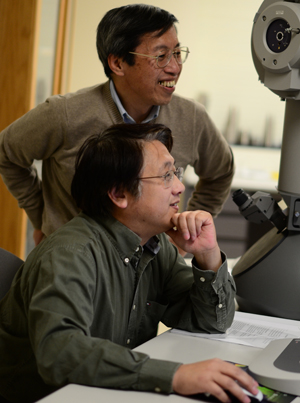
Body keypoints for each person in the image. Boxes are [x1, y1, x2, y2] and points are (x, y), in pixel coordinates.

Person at [0, 123, 256, 403]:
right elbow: (60, 353)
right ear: (119, 194)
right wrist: (174, 376)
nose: (180, 187)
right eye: (167, 175)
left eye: (177, 173)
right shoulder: (71, 254)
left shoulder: (155, 247)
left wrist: (207, 255)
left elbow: (210, 322)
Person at [0, 4, 234, 247]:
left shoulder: (192, 118)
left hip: (148, 275)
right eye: (161, 56)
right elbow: (7, 154)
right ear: (118, 63)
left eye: (177, 53)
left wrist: (186, 235)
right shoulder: (64, 114)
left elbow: (221, 173)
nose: (174, 67)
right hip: (74, 264)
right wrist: (42, 217)